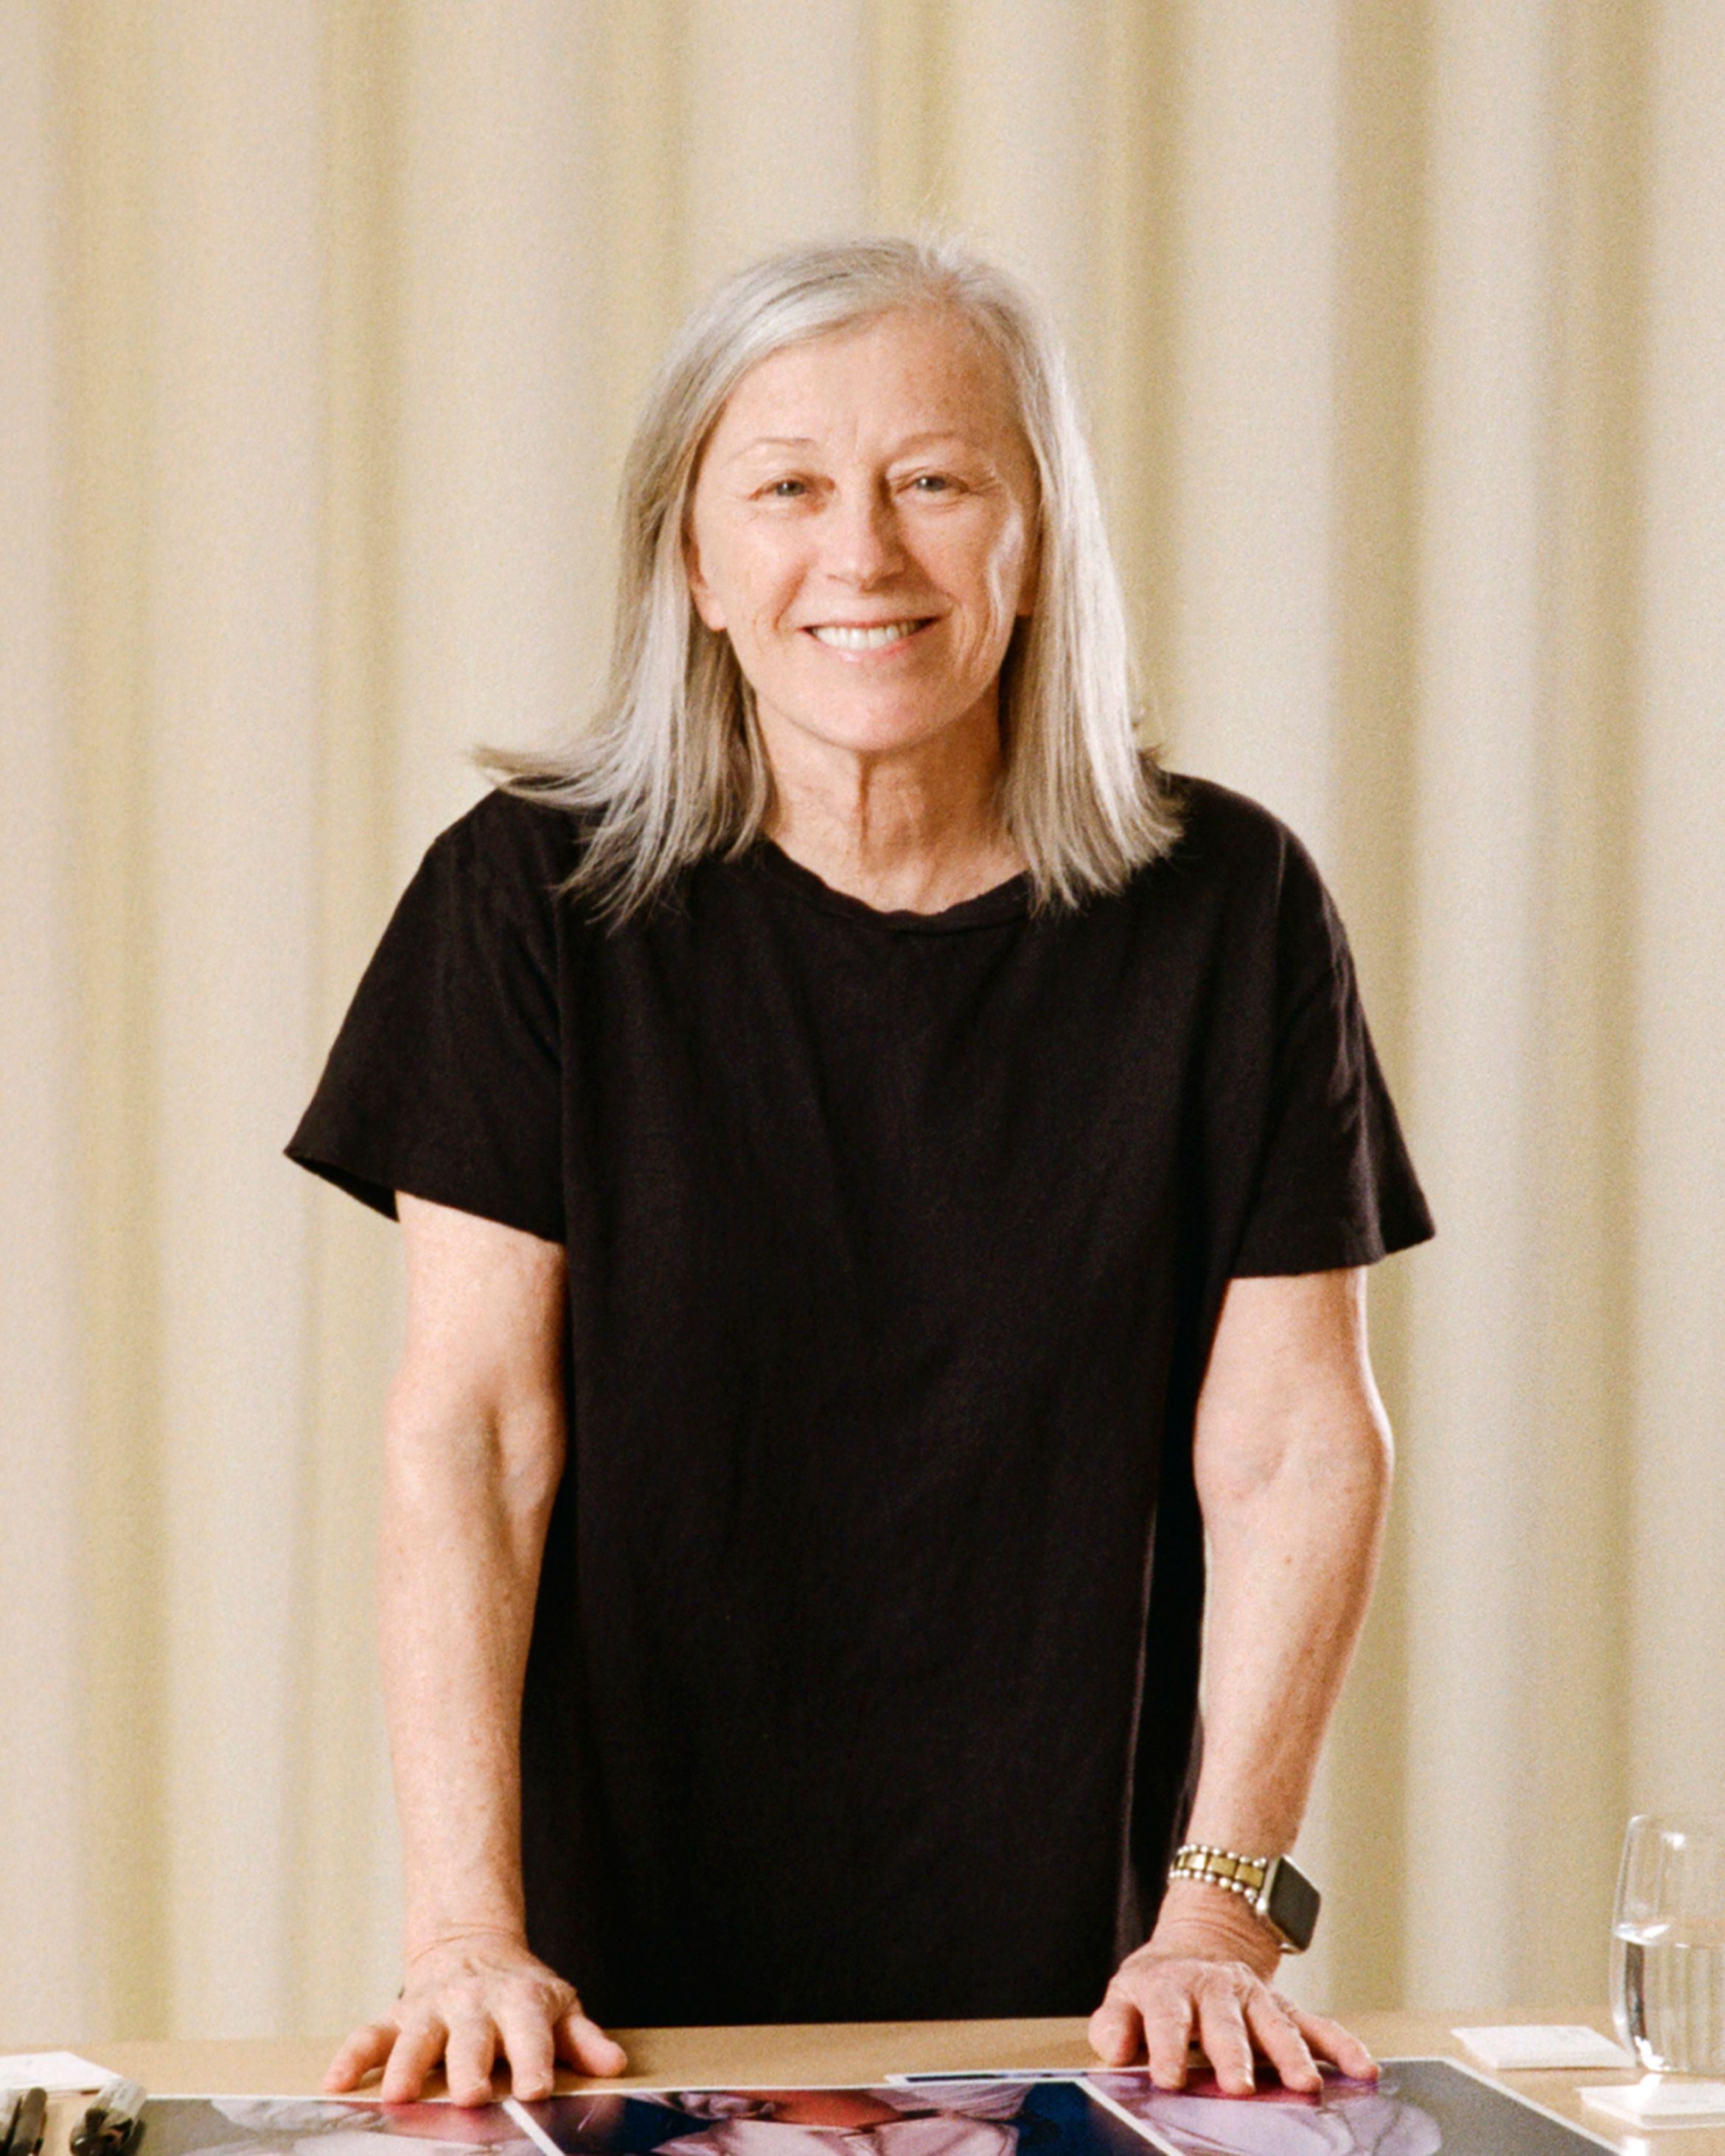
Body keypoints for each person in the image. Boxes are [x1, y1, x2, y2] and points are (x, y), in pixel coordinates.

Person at [288, 234, 1432, 2110]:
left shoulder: (1231, 909)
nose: (865, 555)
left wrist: (1222, 1913)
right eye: (791, 488)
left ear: (1037, 538)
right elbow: (475, 1429)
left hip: (1086, 2005)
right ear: (698, 561)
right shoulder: (530, 900)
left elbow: (1301, 1437)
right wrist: (462, 1929)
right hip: (617, 2000)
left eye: (936, 480)